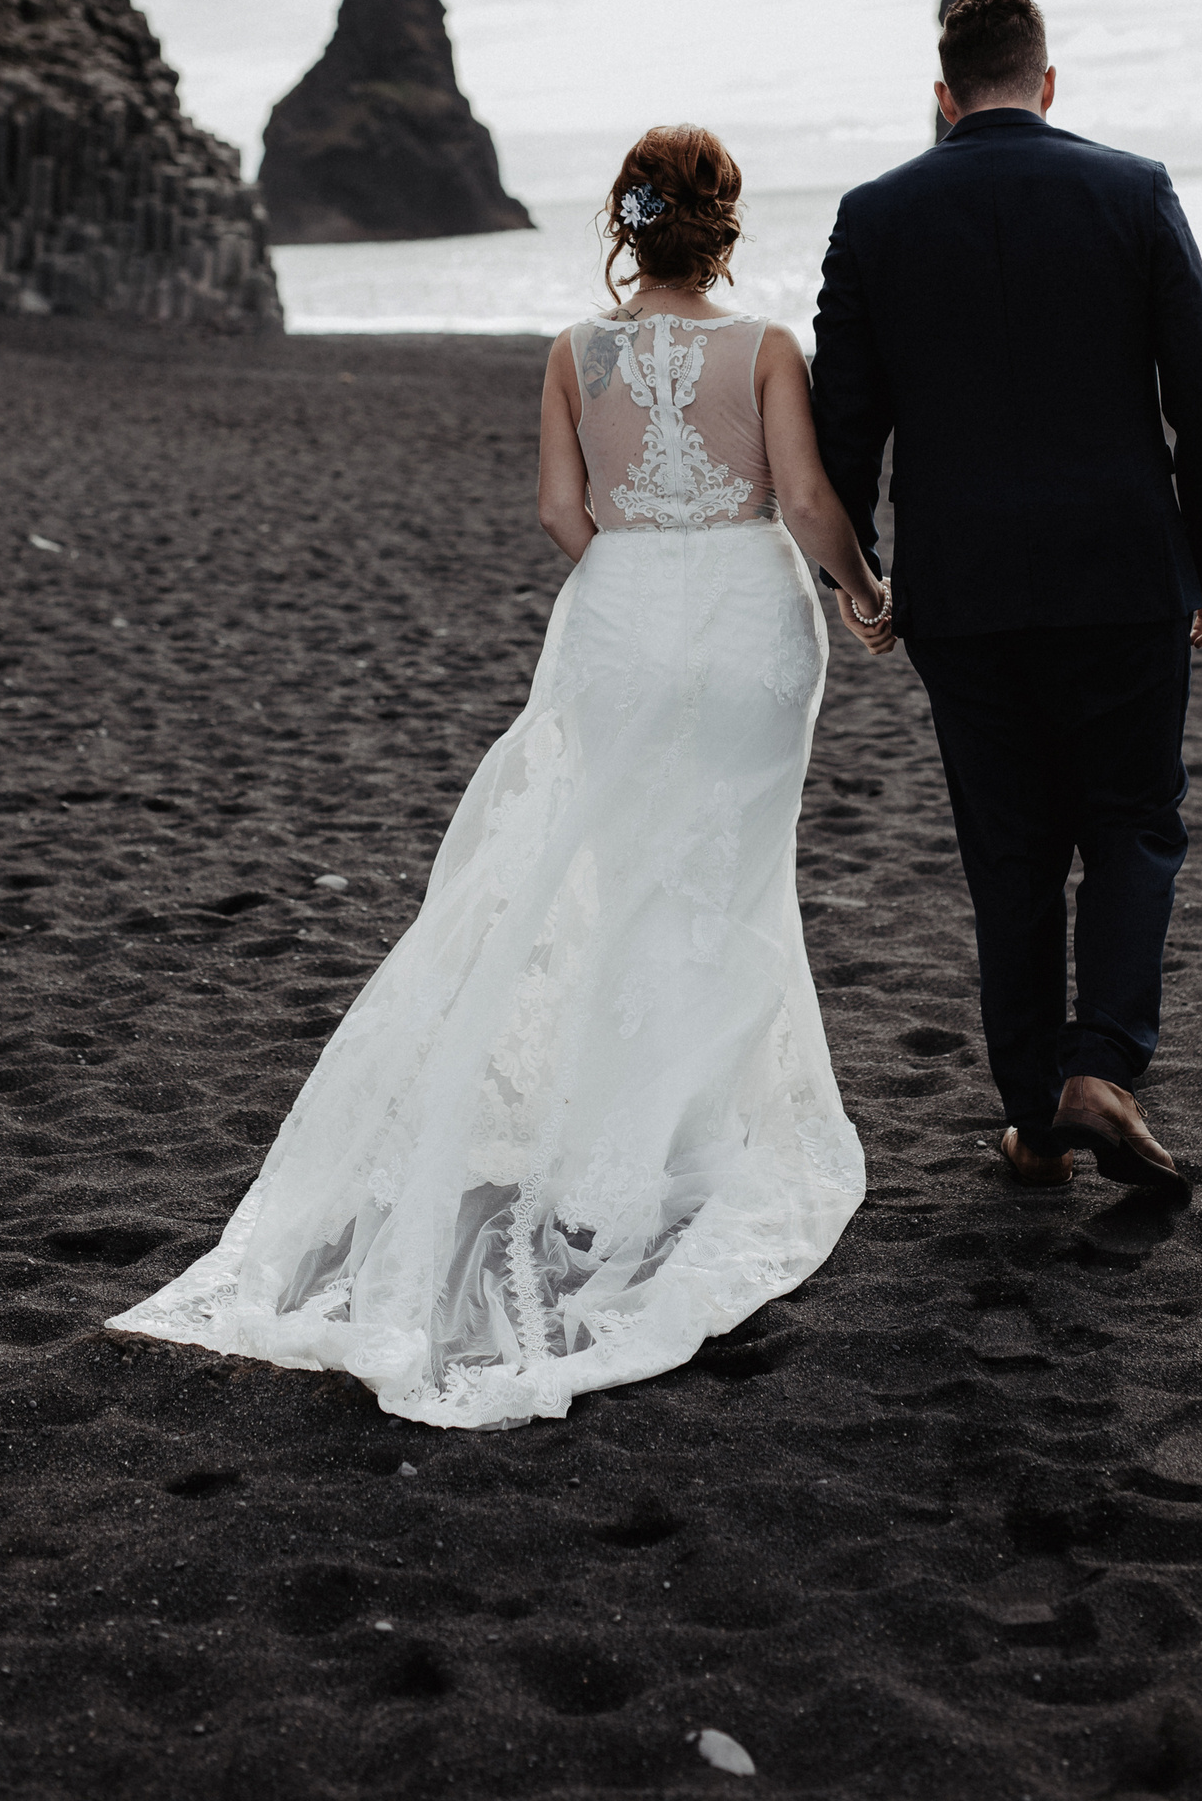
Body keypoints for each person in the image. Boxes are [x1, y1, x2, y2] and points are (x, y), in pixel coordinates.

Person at [110, 125, 883, 1427]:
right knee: (730, 874)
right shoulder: (762, 352)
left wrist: (637, 563)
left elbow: (558, 517)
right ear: (724, 224)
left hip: (621, 623)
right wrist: (858, 592)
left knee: (624, 869)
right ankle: (688, 1150)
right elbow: (803, 500)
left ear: (627, 226)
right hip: (750, 629)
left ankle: (625, 1151)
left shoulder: (574, 355)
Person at [812, 0, 1202, 1199]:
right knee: (1131, 821)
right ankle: (1101, 1066)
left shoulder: (874, 215)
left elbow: (841, 424)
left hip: (962, 591)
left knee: (1008, 850)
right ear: (1048, 83)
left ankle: (1028, 1116)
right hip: (1122, 575)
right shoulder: (1133, 189)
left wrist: (853, 573)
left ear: (943, 95)